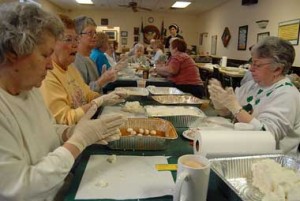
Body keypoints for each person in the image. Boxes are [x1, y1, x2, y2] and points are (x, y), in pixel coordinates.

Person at [0, 3, 125, 200]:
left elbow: (48, 130)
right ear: (11, 54)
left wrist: (70, 132)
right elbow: (20, 189)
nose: (50, 65)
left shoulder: (28, 90)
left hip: (61, 184)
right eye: (44, 55)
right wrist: (79, 140)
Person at [208, 36, 300, 153]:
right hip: (242, 147)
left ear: (277, 69)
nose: (251, 69)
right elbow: (228, 114)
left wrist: (236, 108)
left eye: (257, 65)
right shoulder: (252, 85)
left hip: (270, 162)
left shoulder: (287, 95)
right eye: (252, 63)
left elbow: (267, 136)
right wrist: (220, 104)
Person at [40, 14, 125, 125]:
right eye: (68, 39)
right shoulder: (48, 75)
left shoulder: (70, 67)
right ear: (52, 44)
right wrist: (98, 102)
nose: (75, 44)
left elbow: (87, 93)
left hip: (86, 123)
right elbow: (65, 120)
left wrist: (105, 98)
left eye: (76, 39)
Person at [73, 16, 116, 92]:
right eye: (90, 33)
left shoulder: (89, 59)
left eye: (95, 32)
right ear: (78, 36)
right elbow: (81, 94)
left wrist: (104, 79)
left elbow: (96, 87)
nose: (95, 36)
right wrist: (101, 81)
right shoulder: (76, 60)